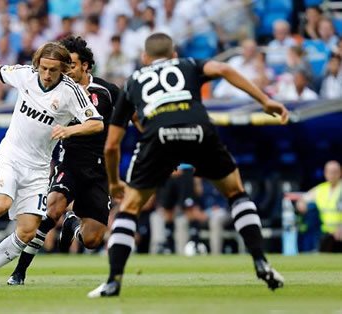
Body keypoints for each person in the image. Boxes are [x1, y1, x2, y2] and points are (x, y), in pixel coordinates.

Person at [88, 33, 288, 298]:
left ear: (145, 59)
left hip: (157, 137)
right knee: (236, 193)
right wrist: (265, 100)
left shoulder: (132, 81)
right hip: (199, 132)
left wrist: (114, 182)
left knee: (131, 209)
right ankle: (261, 261)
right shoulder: (188, 64)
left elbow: (112, 145)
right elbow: (225, 68)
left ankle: (113, 281)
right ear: (173, 56)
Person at [0, 42, 104, 282]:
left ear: (63, 69)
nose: (46, 74)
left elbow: (97, 123)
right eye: (43, 68)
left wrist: (70, 131)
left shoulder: (71, 92)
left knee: (27, 232)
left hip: (38, 169)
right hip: (11, 156)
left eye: (53, 70)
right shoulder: (25, 75)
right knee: (0, 204)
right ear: (37, 65)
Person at [7, 36, 119, 286]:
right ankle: (19, 272)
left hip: (99, 170)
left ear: (86, 66)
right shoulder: (59, 90)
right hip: (68, 162)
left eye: (72, 65)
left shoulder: (107, 91)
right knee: (53, 208)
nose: (67, 70)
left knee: (92, 240)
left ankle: (74, 225)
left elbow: (133, 115)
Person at [296, 161, 342, 252]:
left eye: (334, 171)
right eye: (329, 172)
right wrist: (301, 203)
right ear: (325, 173)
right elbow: (302, 199)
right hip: (326, 235)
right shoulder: (321, 189)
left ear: (340, 172)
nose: (332, 174)